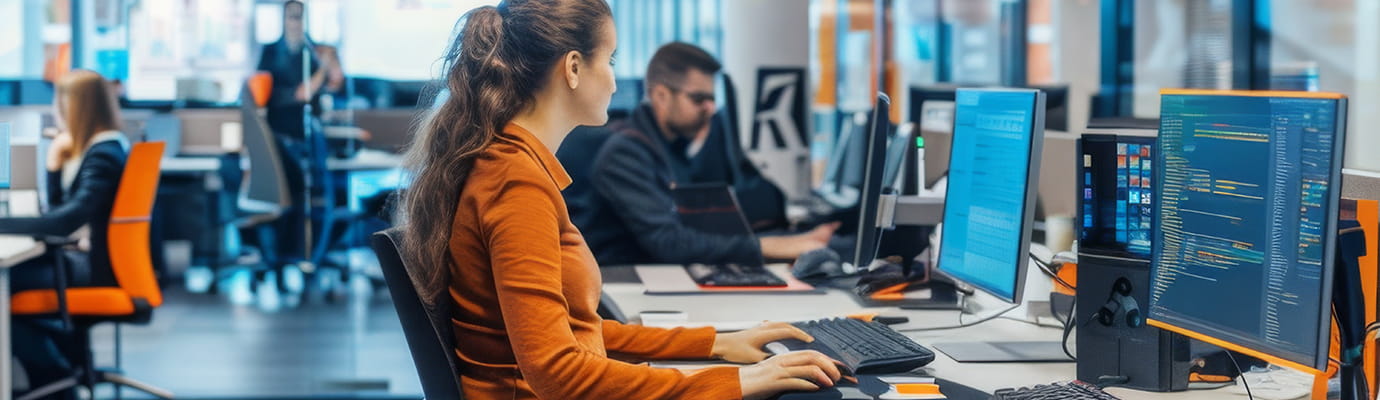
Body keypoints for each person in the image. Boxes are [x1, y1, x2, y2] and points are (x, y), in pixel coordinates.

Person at [399, 1, 843, 399]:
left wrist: (715, 343)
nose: (614, 80)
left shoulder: (508, 165)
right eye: (609, 60)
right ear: (573, 68)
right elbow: (557, 373)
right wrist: (733, 382)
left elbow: (573, 334)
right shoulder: (516, 184)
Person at [563, 42, 836, 266]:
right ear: (661, 96)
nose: (709, 108)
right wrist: (772, 246)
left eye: (712, 99)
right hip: (623, 286)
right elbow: (669, 242)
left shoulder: (667, 148)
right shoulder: (626, 153)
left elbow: (693, 227)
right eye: (698, 99)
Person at [0, 69, 129, 398]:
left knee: (6, 287)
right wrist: (55, 165)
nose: (56, 110)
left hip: (92, 267)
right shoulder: (103, 148)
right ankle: (57, 371)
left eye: (60, 102)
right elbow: (61, 213)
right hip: (85, 260)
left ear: (76, 106)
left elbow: (62, 224)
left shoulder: (105, 153)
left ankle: (53, 375)